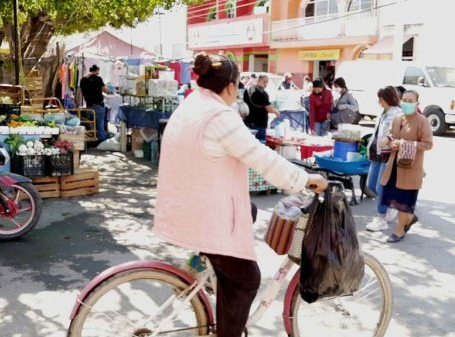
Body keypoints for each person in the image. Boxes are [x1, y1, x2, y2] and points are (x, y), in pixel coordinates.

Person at [154, 52, 328, 337]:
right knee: (247, 279)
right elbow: (263, 159)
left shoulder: (192, 103)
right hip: (204, 213)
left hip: (183, 203)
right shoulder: (219, 116)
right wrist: (306, 179)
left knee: (250, 212)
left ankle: (207, 266)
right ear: (232, 86)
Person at [381, 90, 433, 243]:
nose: (407, 103)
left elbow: (428, 144)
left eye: (411, 101)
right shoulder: (397, 118)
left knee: (404, 203)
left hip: (410, 169)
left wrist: (404, 145)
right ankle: (409, 218)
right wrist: (389, 141)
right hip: (394, 167)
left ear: (417, 103)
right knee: (394, 199)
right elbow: (392, 135)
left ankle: (399, 231)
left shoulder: (422, 121)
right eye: (405, 100)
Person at [366, 86, 402, 232]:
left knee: (382, 187)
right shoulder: (383, 112)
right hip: (376, 152)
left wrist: (388, 139)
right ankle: (391, 204)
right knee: (371, 185)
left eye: (379, 98)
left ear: (384, 99)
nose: (378, 101)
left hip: (387, 154)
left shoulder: (397, 114)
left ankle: (381, 218)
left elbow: (398, 132)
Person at [243, 75, 279, 142]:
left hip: (247, 122)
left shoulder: (248, 90)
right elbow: (269, 109)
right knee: (260, 146)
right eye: (267, 83)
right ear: (265, 82)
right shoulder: (262, 93)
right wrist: (276, 111)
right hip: (259, 124)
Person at [79, 65, 109, 141]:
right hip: (98, 105)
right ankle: (101, 141)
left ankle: (90, 140)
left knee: (90, 125)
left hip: (88, 105)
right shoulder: (98, 79)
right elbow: (105, 90)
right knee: (100, 125)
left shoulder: (83, 79)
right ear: (96, 71)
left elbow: (81, 90)